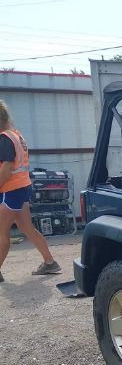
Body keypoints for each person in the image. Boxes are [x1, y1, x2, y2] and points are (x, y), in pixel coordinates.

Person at [0, 100, 60, 282]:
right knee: (27, 227)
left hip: (10, 190)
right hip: (22, 188)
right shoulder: (17, 136)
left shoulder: (4, 138)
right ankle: (50, 263)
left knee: (2, 233)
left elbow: (7, 168)